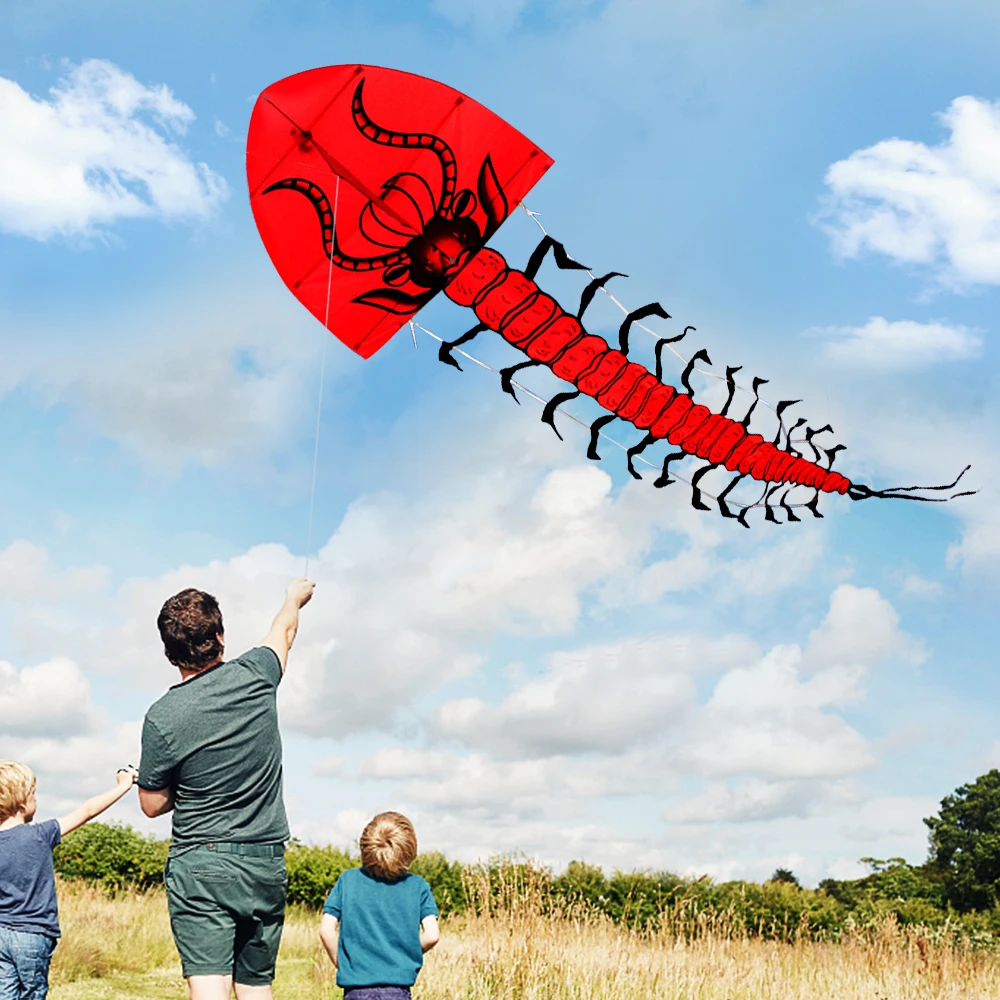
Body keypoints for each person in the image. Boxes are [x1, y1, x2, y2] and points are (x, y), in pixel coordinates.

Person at [138, 578, 314, 1000]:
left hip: (201, 865)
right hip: (265, 863)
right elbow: (284, 630)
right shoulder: (258, 673)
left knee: (209, 988)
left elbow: (151, 803)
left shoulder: (162, 716)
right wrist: (293, 598)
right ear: (219, 637)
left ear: (169, 652)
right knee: (256, 989)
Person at [0, 760, 137, 1000]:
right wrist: (123, 785)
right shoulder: (41, 835)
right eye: (34, 794)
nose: (36, 800)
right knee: (32, 993)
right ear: (22, 802)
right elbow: (87, 810)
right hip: (33, 934)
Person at [319, 812, 440, 1000]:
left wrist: (342, 962)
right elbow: (432, 935)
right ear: (409, 850)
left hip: (355, 990)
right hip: (398, 991)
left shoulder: (348, 880)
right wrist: (406, 953)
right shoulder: (418, 886)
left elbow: (326, 930)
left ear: (365, 846)